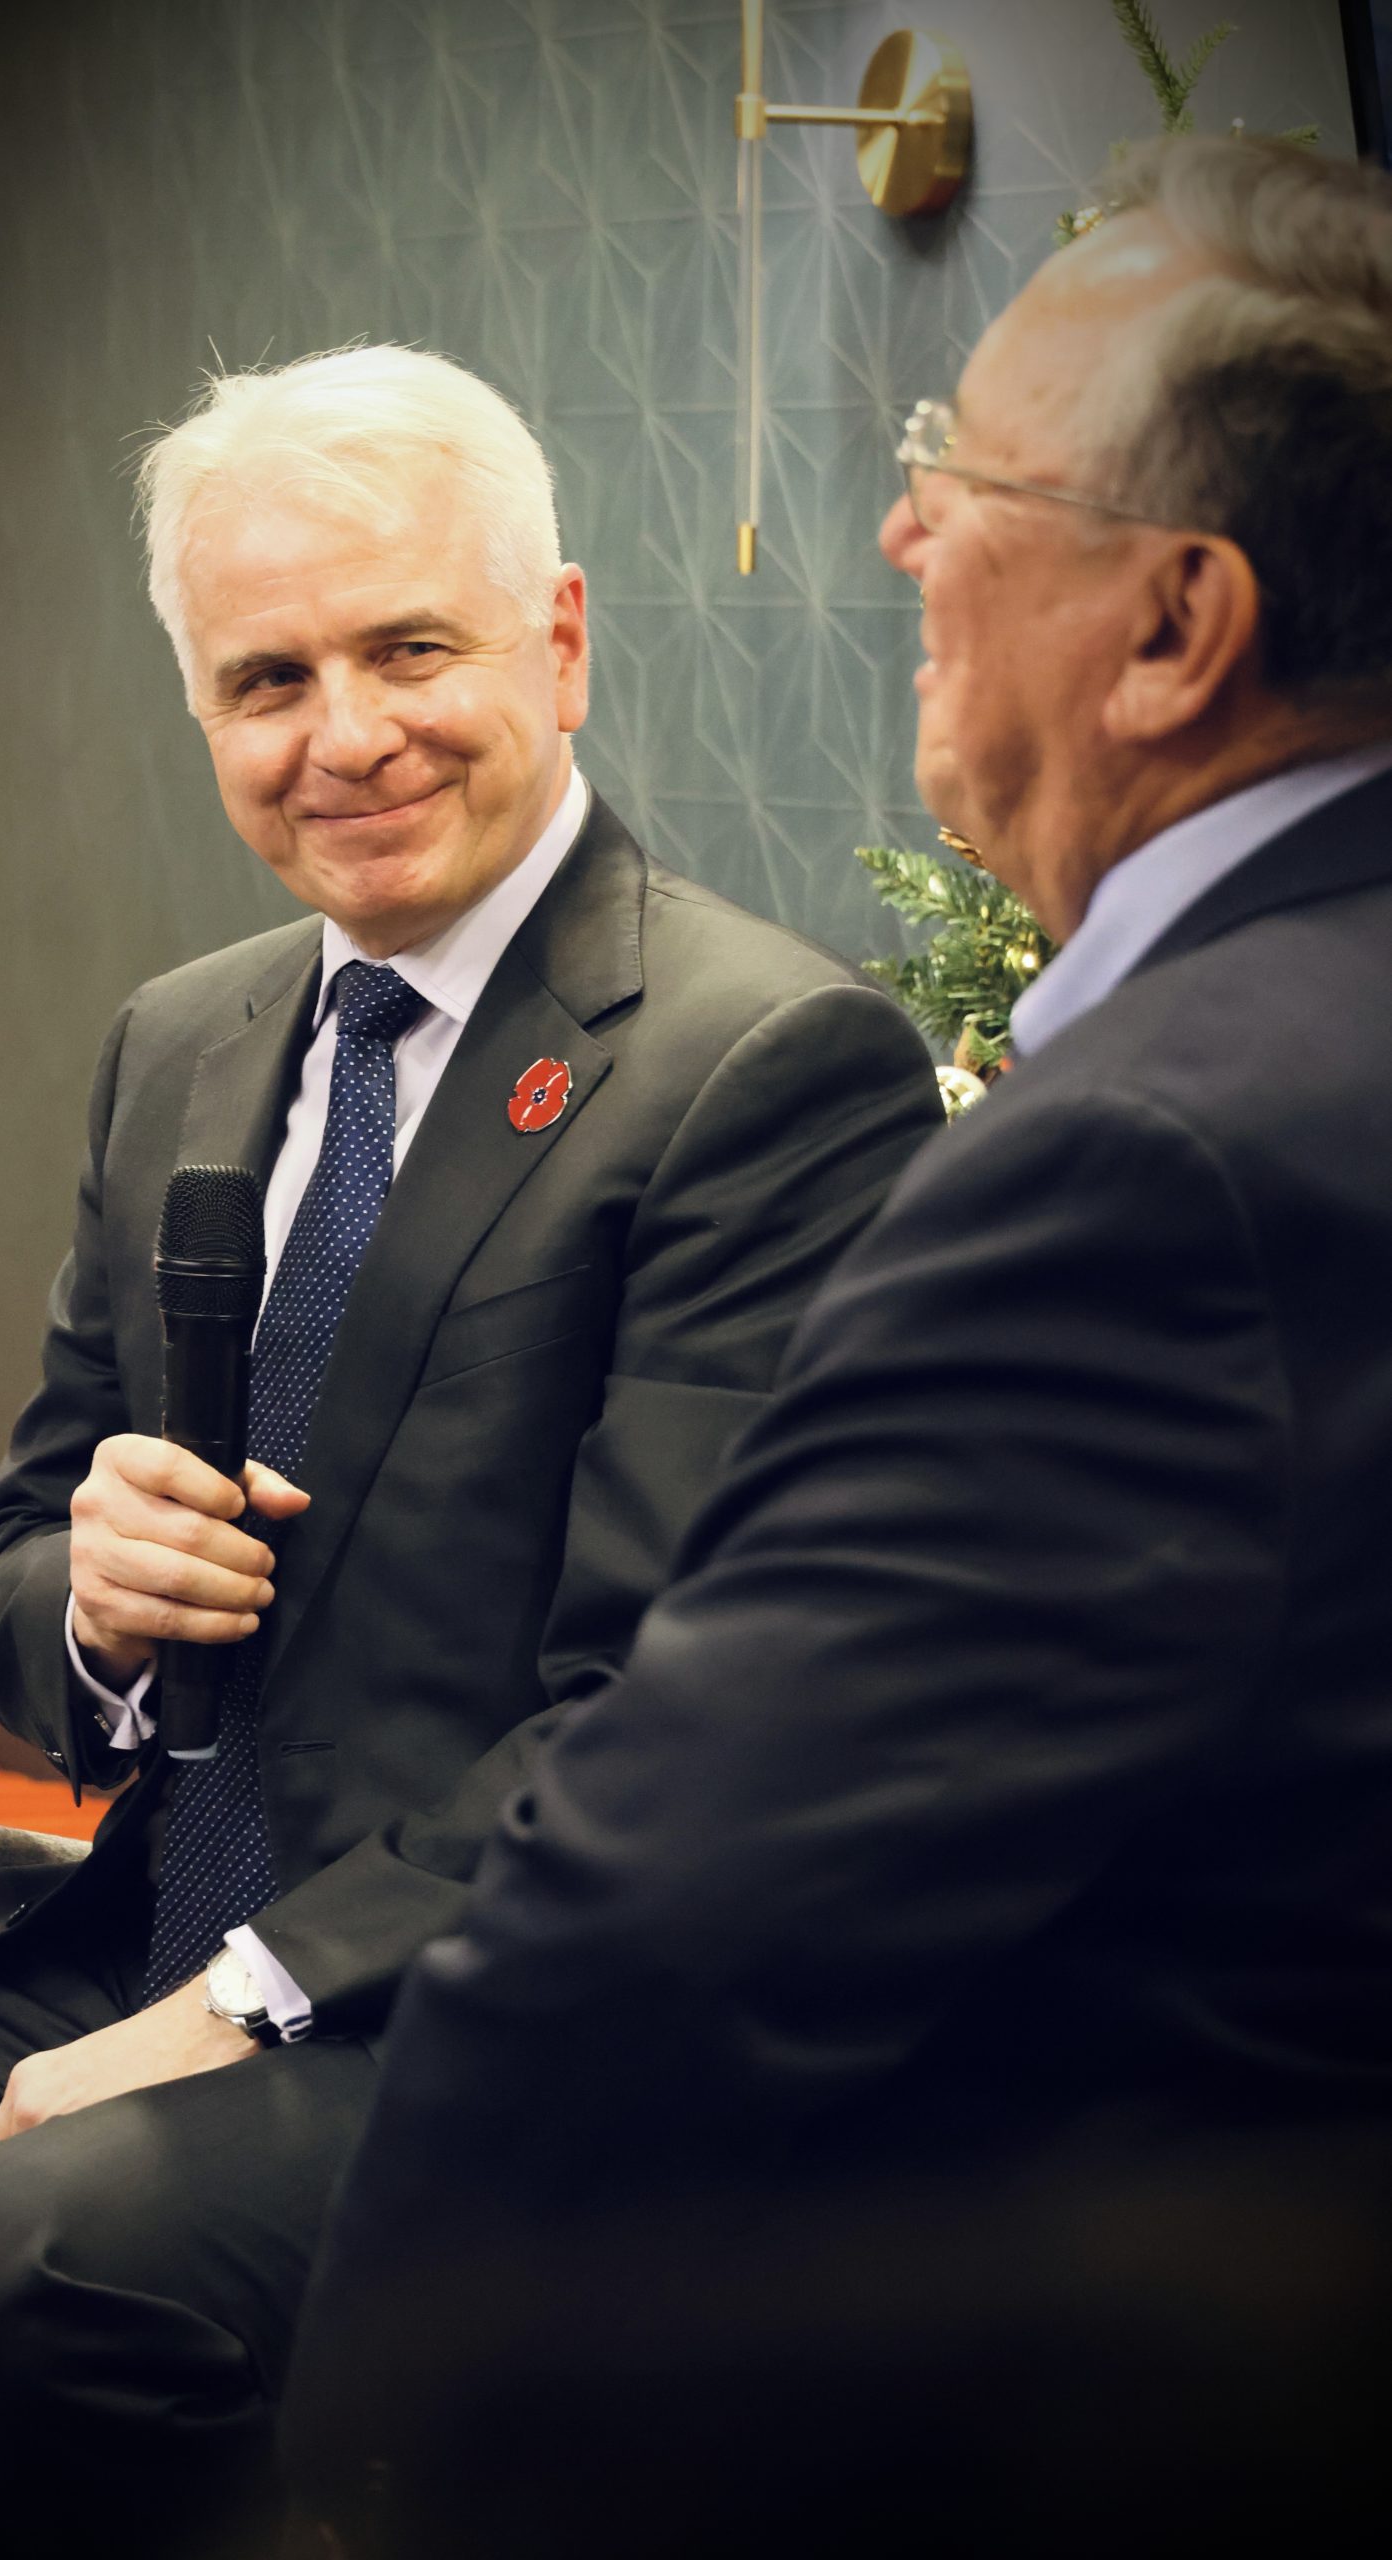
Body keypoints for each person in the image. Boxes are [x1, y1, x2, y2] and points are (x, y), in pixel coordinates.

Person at [0, 346, 939, 2559]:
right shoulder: (183, 1040)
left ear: (559, 640)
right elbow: (20, 1564)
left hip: (494, 2010)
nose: (343, 736)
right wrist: (96, 1610)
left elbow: (686, 1715)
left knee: (31, 2258)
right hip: (143, 1923)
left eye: (410, 650)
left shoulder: (761, 1062)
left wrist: (244, 2001)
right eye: (267, 679)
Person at [283, 141, 1392, 2560]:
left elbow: (663, 1936)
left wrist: (363, 2471)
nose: (898, 537)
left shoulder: (1142, 1167)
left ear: (1176, 624)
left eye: (960, 481)